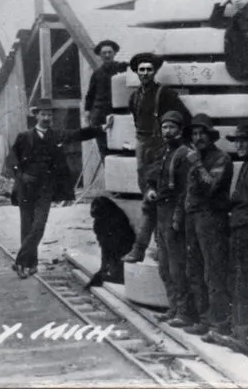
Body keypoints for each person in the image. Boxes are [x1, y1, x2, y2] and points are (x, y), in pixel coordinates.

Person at [8, 98, 99, 278]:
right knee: (27, 227)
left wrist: (100, 129)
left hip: (46, 189)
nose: (46, 117)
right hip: (26, 189)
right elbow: (11, 161)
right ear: (36, 116)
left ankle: (20, 261)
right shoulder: (24, 137)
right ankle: (30, 264)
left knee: (38, 226)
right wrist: (21, 176)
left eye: (49, 114)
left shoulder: (56, 135)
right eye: (43, 114)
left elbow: (77, 134)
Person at [207, 123, 248, 359]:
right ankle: (240, 333)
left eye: (244, 140)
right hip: (240, 231)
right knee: (239, 283)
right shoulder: (247, 165)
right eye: (237, 141)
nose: (240, 145)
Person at [120, 52, 191, 263]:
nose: (145, 73)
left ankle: (154, 247)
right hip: (143, 147)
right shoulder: (134, 97)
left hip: (161, 145)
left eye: (149, 69)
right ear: (136, 72)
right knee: (148, 194)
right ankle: (146, 247)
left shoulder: (165, 94)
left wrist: (177, 141)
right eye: (141, 70)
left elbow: (185, 118)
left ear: (155, 71)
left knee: (162, 196)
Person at [146, 111, 199, 328]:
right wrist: (150, 189)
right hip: (161, 211)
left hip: (175, 213)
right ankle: (174, 308)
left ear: (180, 130)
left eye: (172, 128)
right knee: (164, 265)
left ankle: (185, 313)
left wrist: (178, 217)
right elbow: (151, 176)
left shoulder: (184, 154)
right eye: (165, 128)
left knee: (177, 266)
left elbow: (185, 190)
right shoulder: (164, 152)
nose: (167, 132)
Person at [182, 114, 233, 339]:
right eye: (194, 133)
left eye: (202, 133)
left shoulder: (221, 158)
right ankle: (204, 320)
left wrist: (197, 164)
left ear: (210, 136)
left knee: (214, 273)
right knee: (194, 270)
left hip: (212, 219)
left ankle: (218, 324)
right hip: (193, 218)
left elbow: (211, 186)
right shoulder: (194, 157)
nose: (198, 137)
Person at [83, 39, 128, 156]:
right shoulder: (97, 74)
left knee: (121, 148)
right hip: (100, 116)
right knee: (104, 149)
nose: (107, 55)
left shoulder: (122, 67)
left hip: (118, 114)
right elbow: (90, 95)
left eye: (110, 52)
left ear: (114, 53)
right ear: (100, 56)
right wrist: (87, 116)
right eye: (104, 53)